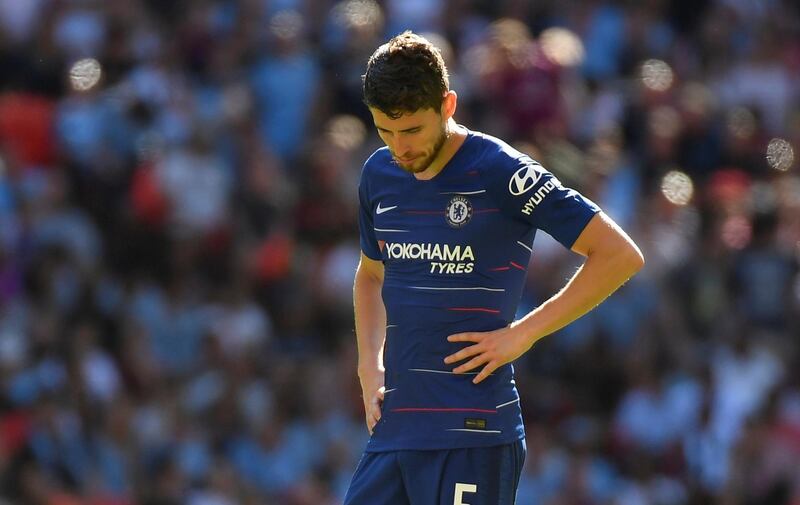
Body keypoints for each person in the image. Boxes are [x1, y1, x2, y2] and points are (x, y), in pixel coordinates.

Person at [347, 31, 644, 505]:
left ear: (447, 105)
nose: (400, 147)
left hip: (474, 429)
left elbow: (619, 255)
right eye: (386, 130)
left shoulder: (500, 170)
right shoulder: (378, 175)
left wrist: (523, 333)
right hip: (398, 428)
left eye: (412, 131)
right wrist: (368, 365)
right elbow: (370, 275)